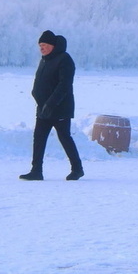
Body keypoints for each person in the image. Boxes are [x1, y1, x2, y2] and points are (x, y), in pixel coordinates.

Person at [19, 30, 84, 181]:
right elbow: (39, 82)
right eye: (40, 45)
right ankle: (36, 171)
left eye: (45, 45)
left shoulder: (64, 59)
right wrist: (37, 97)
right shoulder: (45, 59)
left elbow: (64, 85)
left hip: (60, 108)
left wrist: (51, 104)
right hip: (43, 108)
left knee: (64, 137)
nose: (42, 48)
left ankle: (77, 169)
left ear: (53, 45)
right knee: (39, 138)